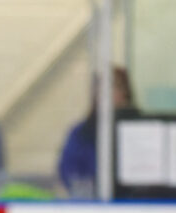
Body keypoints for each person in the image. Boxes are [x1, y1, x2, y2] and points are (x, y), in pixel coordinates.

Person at [57, 67, 135, 198]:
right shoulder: (81, 133)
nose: (106, 92)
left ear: (125, 93)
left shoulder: (137, 131)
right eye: (101, 86)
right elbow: (68, 171)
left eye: (113, 86)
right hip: (92, 203)